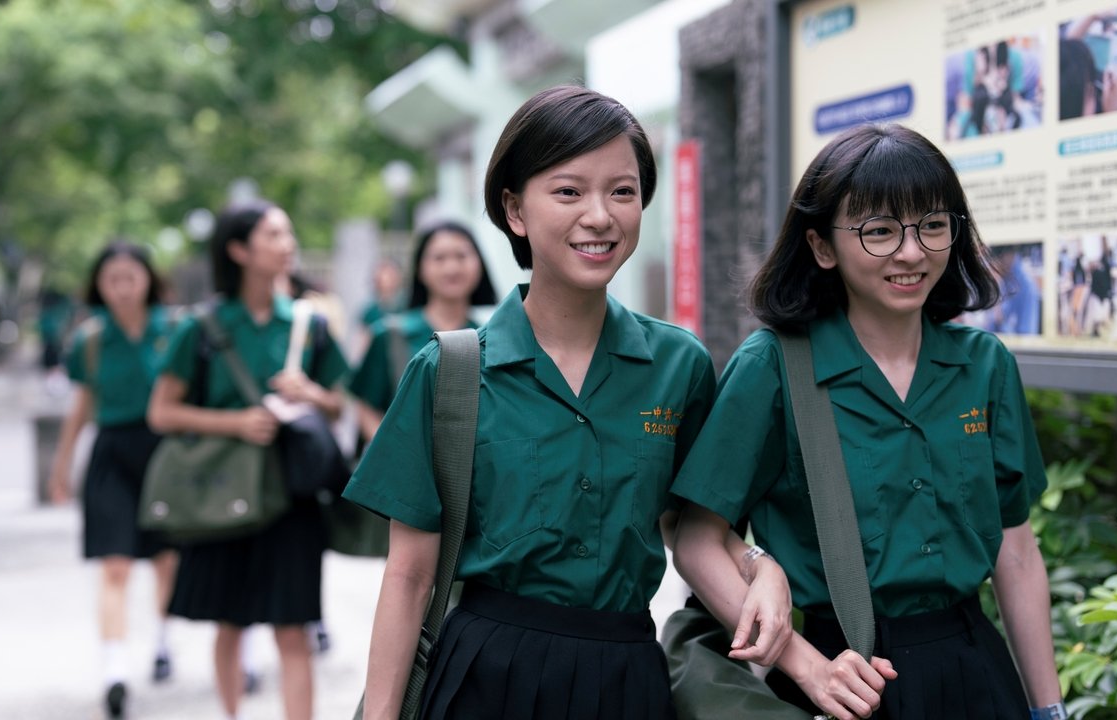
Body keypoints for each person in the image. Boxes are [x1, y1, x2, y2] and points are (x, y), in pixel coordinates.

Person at [343, 84, 793, 720]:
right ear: (514, 210)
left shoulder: (679, 366)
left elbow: (692, 528)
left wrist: (758, 563)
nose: (600, 215)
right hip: (483, 676)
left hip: (627, 677)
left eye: (622, 191)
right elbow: (409, 576)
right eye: (567, 190)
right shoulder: (449, 371)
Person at [671, 123, 1062, 720]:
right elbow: (698, 541)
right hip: (842, 677)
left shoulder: (984, 365)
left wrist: (1048, 709)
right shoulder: (775, 365)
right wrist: (805, 666)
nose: (911, 252)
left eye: (932, 226)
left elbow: (1016, 550)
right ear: (822, 247)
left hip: (975, 670)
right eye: (879, 231)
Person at [147, 200, 349, 720]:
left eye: (288, 233)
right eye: (274, 234)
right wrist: (234, 423)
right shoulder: (203, 328)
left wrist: (310, 393)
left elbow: (337, 405)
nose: (289, 244)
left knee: (294, 628)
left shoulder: (310, 323)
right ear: (239, 250)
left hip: (292, 494)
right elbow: (162, 412)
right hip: (223, 492)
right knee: (229, 624)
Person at [46, 241, 179, 719]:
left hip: (165, 453)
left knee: (166, 559)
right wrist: (61, 466)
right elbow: (80, 406)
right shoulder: (91, 339)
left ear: (148, 278)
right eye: (111, 279)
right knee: (115, 564)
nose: (122, 287)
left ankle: (164, 640)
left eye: (130, 277)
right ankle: (115, 671)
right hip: (111, 454)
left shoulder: (174, 331)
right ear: (99, 285)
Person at [348, 220, 496, 446]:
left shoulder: (493, 337)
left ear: (479, 264)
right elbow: (366, 406)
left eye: (461, 256)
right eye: (439, 258)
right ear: (420, 268)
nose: (452, 268)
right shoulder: (390, 336)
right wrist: (392, 454)